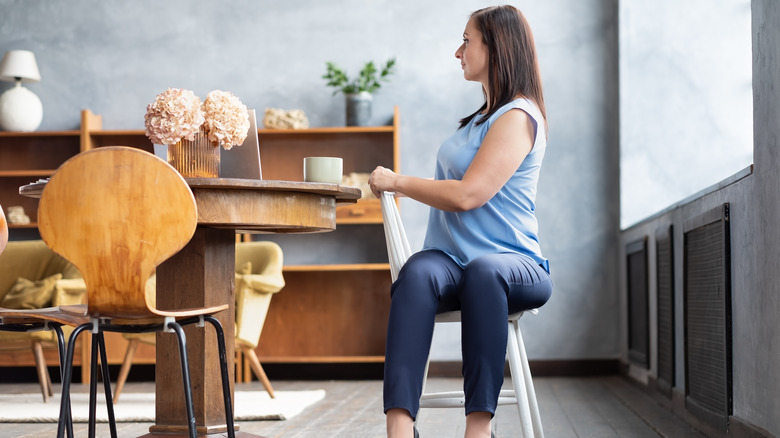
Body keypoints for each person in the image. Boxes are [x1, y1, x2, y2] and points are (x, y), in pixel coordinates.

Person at [368, 5, 553, 438]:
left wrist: (398, 181)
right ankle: (399, 428)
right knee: (416, 272)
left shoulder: (519, 116)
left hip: (514, 265)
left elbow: (469, 195)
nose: (458, 51)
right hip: (454, 262)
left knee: (486, 272)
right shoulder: (479, 119)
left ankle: (478, 429)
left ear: (496, 45)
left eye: (466, 41)